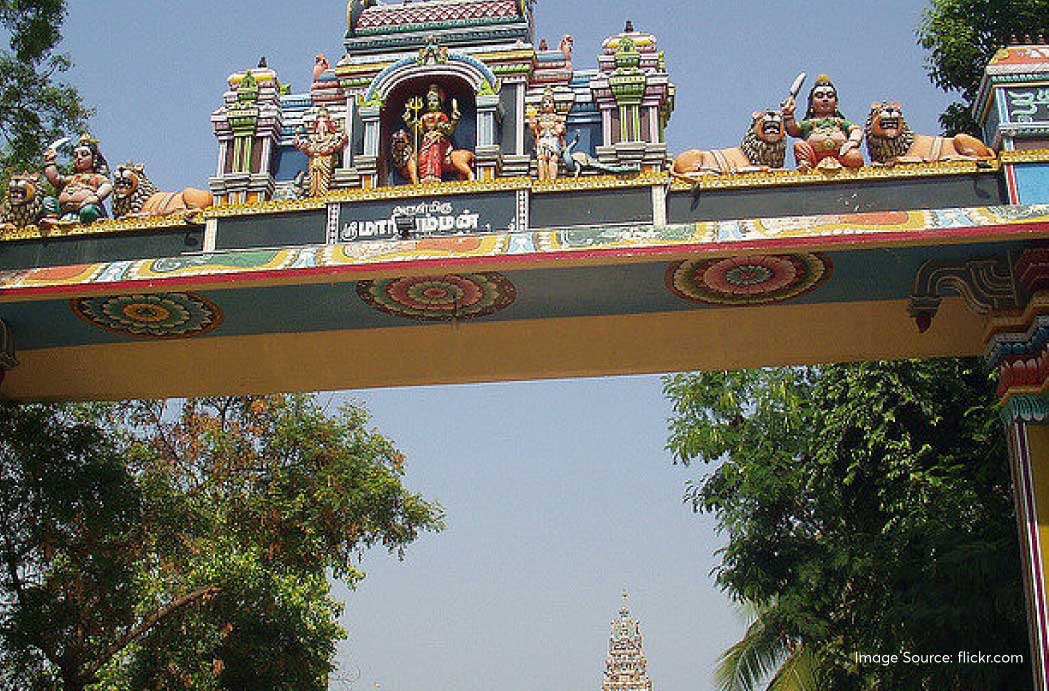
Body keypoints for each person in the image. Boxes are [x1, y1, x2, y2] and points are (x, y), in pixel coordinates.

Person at [783, 74, 863, 171]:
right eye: (819, 96)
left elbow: (856, 130)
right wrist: (788, 114)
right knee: (799, 145)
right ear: (811, 104)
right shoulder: (809, 123)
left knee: (854, 156)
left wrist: (852, 142)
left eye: (830, 96)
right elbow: (793, 130)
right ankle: (806, 166)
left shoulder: (840, 122)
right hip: (814, 158)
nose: (825, 99)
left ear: (836, 103)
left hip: (841, 155)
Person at [41, 134, 113, 227]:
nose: (79, 158)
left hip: (86, 212)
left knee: (88, 210)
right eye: (75, 155)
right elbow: (55, 179)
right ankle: (52, 220)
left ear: (94, 158)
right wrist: (50, 161)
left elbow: (107, 186)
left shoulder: (97, 177)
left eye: (84, 154)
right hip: (64, 212)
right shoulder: (70, 178)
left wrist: (96, 197)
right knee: (48, 201)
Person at [404, 84, 461, 183]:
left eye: (434, 101)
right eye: (429, 101)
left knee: (434, 152)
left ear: (439, 103)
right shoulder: (424, 117)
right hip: (426, 141)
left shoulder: (441, 116)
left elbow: (449, 130)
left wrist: (454, 120)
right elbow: (418, 130)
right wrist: (408, 120)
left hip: (438, 140)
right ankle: (424, 177)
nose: (431, 103)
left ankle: (435, 177)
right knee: (423, 156)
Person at [528, 87, 567, 181]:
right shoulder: (540, 119)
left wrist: (560, 130)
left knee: (553, 159)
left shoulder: (557, 118)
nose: (547, 104)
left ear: (554, 105)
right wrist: (533, 126)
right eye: (545, 103)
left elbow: (562, 131)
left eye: (549, 102)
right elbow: (535, 131)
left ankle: (552, 179)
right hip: (543, 140)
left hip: (553, 140)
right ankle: (542, 179)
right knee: (541, 158)